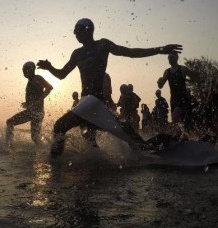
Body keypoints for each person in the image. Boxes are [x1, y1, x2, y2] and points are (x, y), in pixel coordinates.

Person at [37, 18, 182, 157]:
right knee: (91, 137)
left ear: (88, 29)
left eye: (78, 30)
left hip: (94, 101)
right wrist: (49, 67)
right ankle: (157, 144)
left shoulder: (102, 45)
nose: (75, 33)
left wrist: (160, 49)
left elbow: (130, 52)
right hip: (87, 102)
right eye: (74, 31)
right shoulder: (77, 53)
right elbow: (62, 74)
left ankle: (55, 165)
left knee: (59, 126)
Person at [6, 61, 53, 147]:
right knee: (34, 136)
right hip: (34, 112)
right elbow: (35, 95)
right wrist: (27, 103)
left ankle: (7, 147)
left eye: (25, 70)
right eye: (23, 70)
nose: (23, 72)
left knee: (11, 123)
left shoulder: (37, 78)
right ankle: (9, 146)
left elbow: (49, 87)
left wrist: (38, 100)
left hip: (36, 113)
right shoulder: (30, 81)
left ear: (31, 70)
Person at [157, 53, 197, 136]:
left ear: (176, 58)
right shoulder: (167, 71)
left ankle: (176, 135)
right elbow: (161, 86)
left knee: (175, 117)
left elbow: (194, 78)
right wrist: (159, 81)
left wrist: (189, 78)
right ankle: (182, 135)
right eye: (168, 58)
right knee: (177, 120)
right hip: (173, 99)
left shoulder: (183, 69)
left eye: (171, 57)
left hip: (183, 97)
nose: (170, 59)